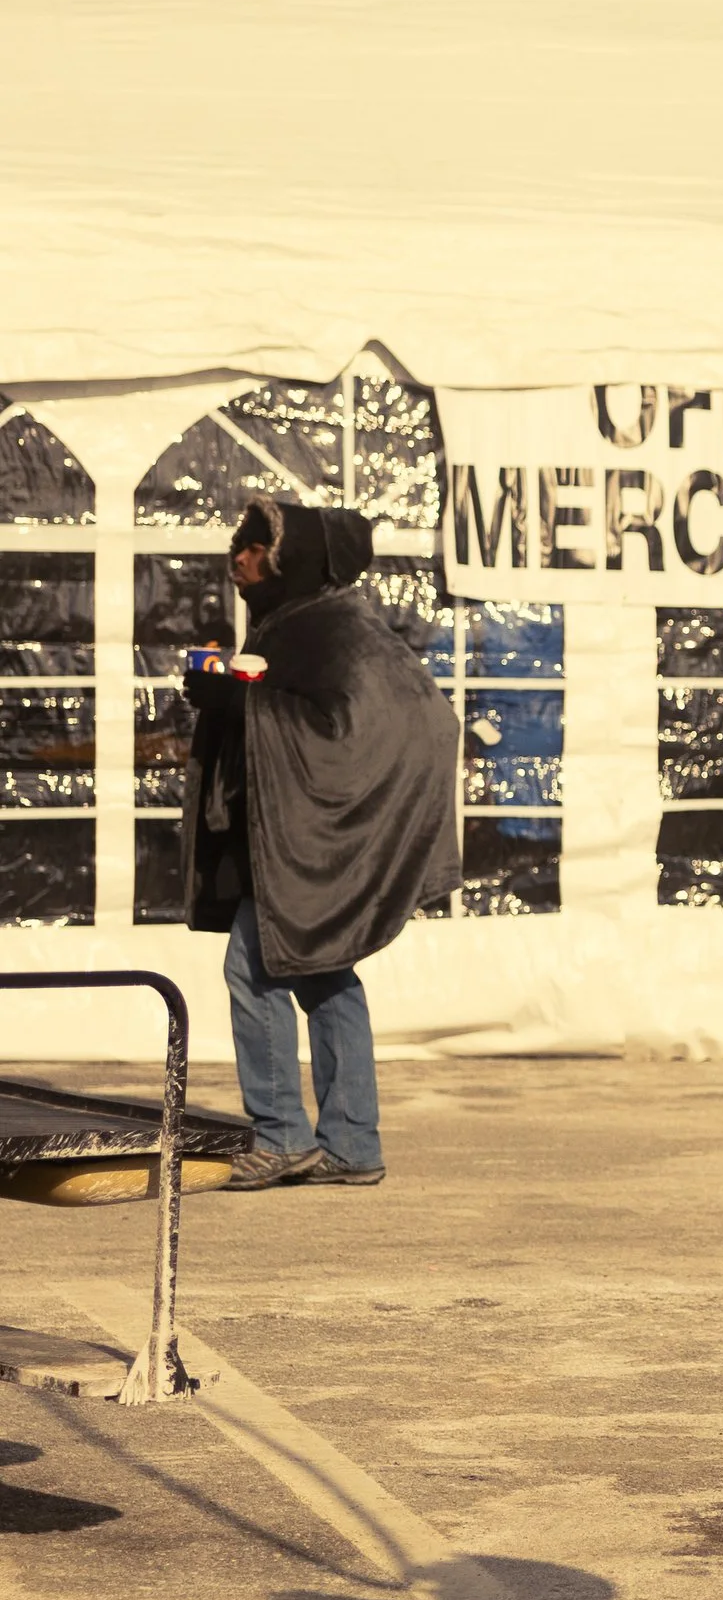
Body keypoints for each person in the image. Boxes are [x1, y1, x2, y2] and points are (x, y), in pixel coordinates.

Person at [181, 502, 459, 1190]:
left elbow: (401, 724)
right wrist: (233, 696)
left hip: (313, 843)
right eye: (237, 544)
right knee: (325, 975)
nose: (237, 556)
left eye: (254, 546)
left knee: (255, 970)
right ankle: (351, 1144)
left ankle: (280, 1137)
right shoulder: (291, 625)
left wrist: (238, 705)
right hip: (283, 836)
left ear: (291, 558)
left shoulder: (337, 627)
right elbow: (293, 709)